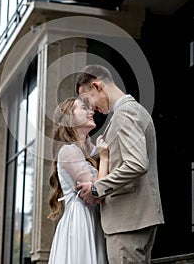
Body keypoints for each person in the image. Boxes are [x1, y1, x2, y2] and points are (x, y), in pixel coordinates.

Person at [75, 64, 164, 264]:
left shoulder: (124, 114)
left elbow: (137, 164)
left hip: (127, 222)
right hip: (136, 219)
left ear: (98, 86)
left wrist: (97, 189)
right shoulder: (136, 111)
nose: (92, 109)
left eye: (89, 101)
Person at [48, 97, 109, 264]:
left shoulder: (88, 151)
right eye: (84, 108)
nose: (91, 112)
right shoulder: (68, 151)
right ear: (70, 118)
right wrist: (104, 159)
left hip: (92, 217)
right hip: (80, 221)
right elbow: (98, 190)